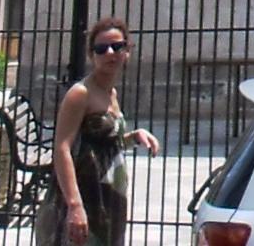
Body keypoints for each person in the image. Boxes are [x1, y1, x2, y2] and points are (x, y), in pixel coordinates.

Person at [37, 16, 161, 246]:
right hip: (82, 200)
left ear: (127, 51)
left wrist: (133, 137)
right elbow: (62, 149)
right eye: (101, 48)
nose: (110, 53)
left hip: (108, 203)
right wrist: (75, 205)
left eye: (117, 46)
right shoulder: (80, 93)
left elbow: (101, 145)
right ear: (92, 55)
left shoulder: (111, 93)